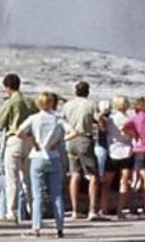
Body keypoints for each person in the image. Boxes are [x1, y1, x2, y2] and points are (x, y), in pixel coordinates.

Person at [16, 92, 65, 239]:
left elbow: (18, 132)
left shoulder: (34, 118)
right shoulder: (57, 118)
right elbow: (73, 131)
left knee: (37, 195)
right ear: (52, 103)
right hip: (54, 156)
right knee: (56, 194)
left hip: (37, 156)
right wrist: (57, 142)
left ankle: (36, 227)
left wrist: (32, 140)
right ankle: (60, 228)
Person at [0, 74, 35, 224]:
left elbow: (0, 125)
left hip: (15, 139)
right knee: (29, 178)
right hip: (30, 140)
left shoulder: (10, 102)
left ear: (7, 87)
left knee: (12, 178)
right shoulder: (31, 102)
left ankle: (11, 212)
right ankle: (33, 210)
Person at [60, 82, 99, 221]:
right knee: (93, 175)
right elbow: (99, 119)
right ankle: (92, 210)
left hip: (70, 139)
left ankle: (75, 210)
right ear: (88, 91)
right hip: (84, 138)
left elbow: (61, 121)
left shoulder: (68, 105)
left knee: (75, 173)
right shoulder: (91, 104)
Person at [99, 96, 132, 218]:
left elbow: (104, 129)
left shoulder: (111, 119)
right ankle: (120, 210)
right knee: (124, 181)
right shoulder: (129, 119)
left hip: (112, 151)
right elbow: (132, 136)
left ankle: (103, 208)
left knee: (106, 183)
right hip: (126, 151)